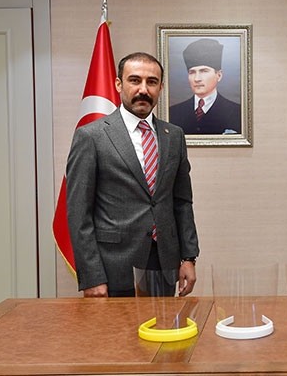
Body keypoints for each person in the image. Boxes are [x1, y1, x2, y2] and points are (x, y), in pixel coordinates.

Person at [66, 52, 199, 297]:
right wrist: (92, 276)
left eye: (151, 82)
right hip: (113, 268)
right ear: (119, 84)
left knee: (162, 324)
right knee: (118, 326)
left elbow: (182, 202)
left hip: (164, 264)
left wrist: (189, 257)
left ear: (160, 87)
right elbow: (78, 213)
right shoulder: (91, 136)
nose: (143, 90)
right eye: (135, 80)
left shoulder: (174, 136)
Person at [170, 38, 241, 135]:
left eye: (204, 71)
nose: (197, 79)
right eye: (192, 72)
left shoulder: (237, 112)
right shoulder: (173, 113)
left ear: (219, 75)